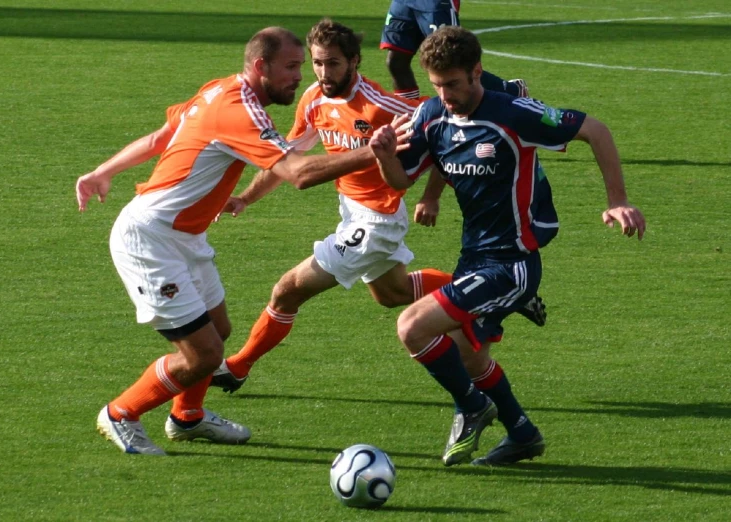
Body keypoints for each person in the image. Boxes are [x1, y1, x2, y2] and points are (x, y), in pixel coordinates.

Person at [75, 27, 384, 456]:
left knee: (218, 331)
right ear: (261, 66)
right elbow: (297, 174)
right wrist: (376, 150)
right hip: (150, 240)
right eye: (292, 67)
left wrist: (102, 171)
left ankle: (188, 417)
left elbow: (158, 139)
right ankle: (121, 413)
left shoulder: (217, 90)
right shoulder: (240, 111)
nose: (302, 76)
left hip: (184, 237)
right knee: (202, 355)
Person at [210, 19, 543, 394]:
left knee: (287, 291)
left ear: (354, 62)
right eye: (317, 63)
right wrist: (245, 197)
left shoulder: (381, 106)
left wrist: (431, 195)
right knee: (393, 294)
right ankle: (509, 294)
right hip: (350, 213)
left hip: (377, 222)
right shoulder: (313, 100)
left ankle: (238, 366)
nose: (323, 72)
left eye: (333, 63)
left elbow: (447, 133)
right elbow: (288, 161)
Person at [369, 26, 646, 466]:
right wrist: (383, 154)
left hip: (513, 262)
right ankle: (522, 433)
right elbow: (401, 180)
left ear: (477, 71)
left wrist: (618, 201)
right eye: (438, 85)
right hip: (473, 256)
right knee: (468, 356)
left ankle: (474, 407)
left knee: (412, 327)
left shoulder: (513, 113)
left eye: (454, 84)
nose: (446, 95)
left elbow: (595, 129)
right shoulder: (430, 116)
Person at [380, 0, 527, 100]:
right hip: (403, 2)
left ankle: (512, 91)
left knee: (452, 59)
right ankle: (408, 111)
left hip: (434, 3)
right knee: (395, 61)